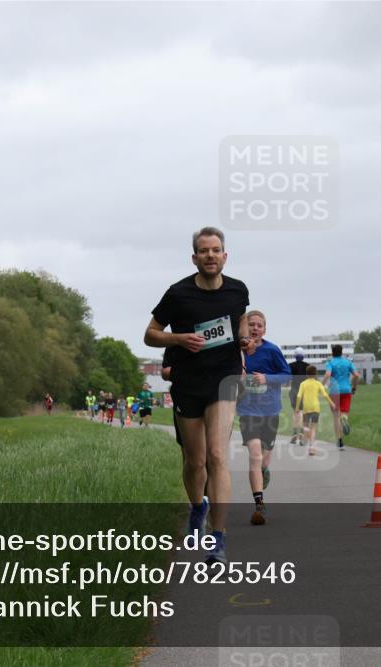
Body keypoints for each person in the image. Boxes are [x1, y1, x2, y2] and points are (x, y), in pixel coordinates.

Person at [144, 227, 254, 565]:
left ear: (225, 255)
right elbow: (150, 335)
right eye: (203, 251)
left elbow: (241, 319)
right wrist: (179, 340)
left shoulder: (238, 289)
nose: (210, 255)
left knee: (218, 456)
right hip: (188, 382)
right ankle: (197, 507)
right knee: (195, 461)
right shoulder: (178, 294)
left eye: (216, 250)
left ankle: (217, 539)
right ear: (194, 257)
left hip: (223, 379)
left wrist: (245, 338)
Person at [237, 310, 291, 526]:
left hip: (270, 411)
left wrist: (266, 378)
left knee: (264, 460)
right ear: (245, 327)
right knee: (255, 455)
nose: (255, 328)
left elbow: (286, 375)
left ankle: (265, 471)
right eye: (251, 324)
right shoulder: (239, 353)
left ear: (264, 329)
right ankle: (259, 504)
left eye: (259, 325)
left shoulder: (272, 350)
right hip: (247, 411)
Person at [323, 344, 359, 450]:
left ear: (332, 352)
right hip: (346, 390)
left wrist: (321, 385)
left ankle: (339, 441)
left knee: (335, 416)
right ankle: (344, 418)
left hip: (334, 391)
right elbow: (356, 375)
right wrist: (354, 387)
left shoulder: (330, 362)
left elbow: (328, 374)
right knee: (343, 413)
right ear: (341, 352)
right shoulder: (348, 362)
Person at [295, 365, 337, 456]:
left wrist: (297, 407)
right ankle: (312, 447)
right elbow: (325, 394)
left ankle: (307, 437)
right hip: (316, 408)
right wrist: (331, 403)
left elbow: (299, 396)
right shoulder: (318, 383)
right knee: (313, 428)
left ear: (307, 374)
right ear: (315, 374)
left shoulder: (303, 384)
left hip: (306, 408)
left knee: (305, 426)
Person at [287, 347, 308, 445]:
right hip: (305, 391)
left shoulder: (290, 366)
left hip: (294, 390)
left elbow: (287, 379)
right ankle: (302, 435)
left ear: (295, 355)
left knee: (296, 413)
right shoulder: (308, 366)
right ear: (303, 355)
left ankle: (295, 434)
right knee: (303, 413)